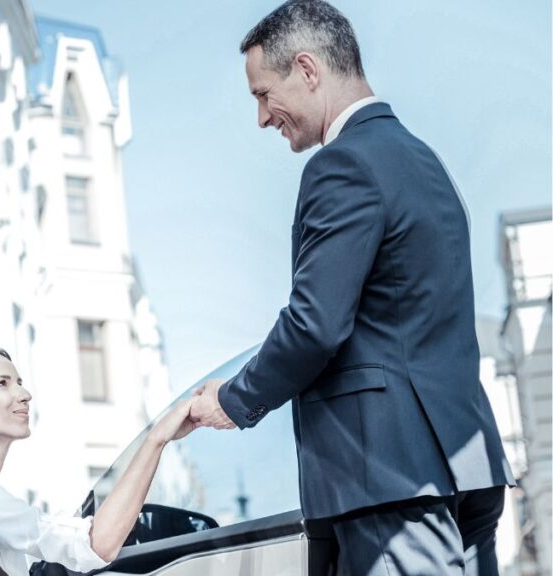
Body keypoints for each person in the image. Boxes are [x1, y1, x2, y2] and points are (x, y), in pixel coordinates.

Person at [188, 2, 514, 574]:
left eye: (264, 94)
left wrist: (233, 399)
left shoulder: (342, 165)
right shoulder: (424, 162)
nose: (263, 117)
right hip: (463, 463)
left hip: (389, 477)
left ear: (308, 70)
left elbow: (315, 324)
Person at [0, 346, 196, 575]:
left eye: (19, 382)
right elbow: (95, 543)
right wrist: (156, 439)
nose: (24, 394)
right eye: (1, 383)